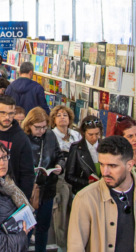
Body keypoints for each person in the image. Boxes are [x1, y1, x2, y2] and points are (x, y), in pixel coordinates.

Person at [68, 136, 136, 252]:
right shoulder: (85, 198)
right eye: (102, 165)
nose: (105, 172)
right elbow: (75, 246)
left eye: (112, 166)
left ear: (129, 165)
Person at [22, 107, 64, 251]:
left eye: (44, 127)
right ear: (29, 125)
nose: (41, 131)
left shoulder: (50, 135)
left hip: (47, 188)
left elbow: (59, 154)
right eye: (38, 128)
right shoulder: (22, 138)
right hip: (27, 190)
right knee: (26, 227)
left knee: (43, 226)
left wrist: (59, 165)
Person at [49, 105, 81, 251]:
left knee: (75, 212)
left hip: (75, 176)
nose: (62, 118)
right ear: (54, 119)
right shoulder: (51, 135)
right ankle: (61, 245)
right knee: (60, 212)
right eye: (59, 115)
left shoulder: (76, 135)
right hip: (60, 177)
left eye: (65, 115)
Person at [65, 115, 103, 194]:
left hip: (101, 191)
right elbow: (69, 177)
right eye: (90, 134)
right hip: (82, 192)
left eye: (97, 134)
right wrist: (86, 182)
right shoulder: (76, 148)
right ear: (83, 133)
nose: (94, 137)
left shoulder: (105, 147)